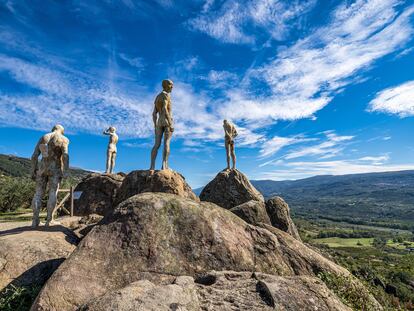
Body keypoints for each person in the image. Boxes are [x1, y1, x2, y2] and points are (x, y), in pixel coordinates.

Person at [30, 124, 69, 227]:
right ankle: (49, 220)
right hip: (55, 169)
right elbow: (65, 155)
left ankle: (35, 220)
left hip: (42, 169)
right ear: (62, 130)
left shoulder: (44, 137)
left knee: (38, 194)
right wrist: (66, 171)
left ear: (53, 129)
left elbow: (34, 156)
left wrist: (32, 170)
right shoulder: (63, 139)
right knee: (53, 193)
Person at [150, 79, 174, 170]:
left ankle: (152, 166)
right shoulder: (166, 95)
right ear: (165, 85)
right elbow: (164, 109)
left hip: (159, 122)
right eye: (170, 85)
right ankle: (164, 165)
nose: (172, 87)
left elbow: (154, 113)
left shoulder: (157, 97)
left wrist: (155, 125)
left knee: (156, 144)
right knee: (166, 143)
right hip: (166, 121)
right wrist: (171, 123)